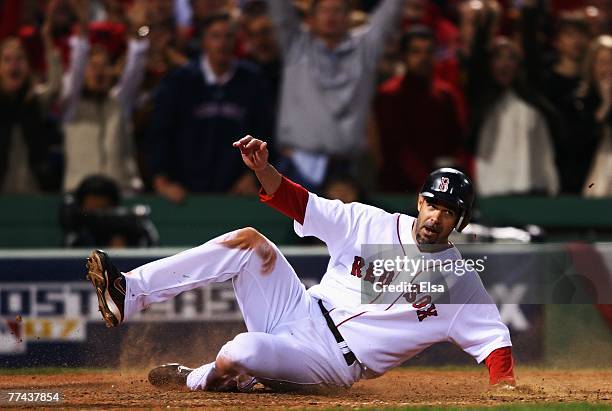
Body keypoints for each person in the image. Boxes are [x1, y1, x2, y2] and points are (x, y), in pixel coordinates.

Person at [85, 134, 516, 392]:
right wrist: (264, 169)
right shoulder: (368, 222)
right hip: (299, 308)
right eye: (433, 205)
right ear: (419, 201)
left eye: (449, 212)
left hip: (330, 361)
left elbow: (494, 340)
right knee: (249, 243)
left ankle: (201, 379)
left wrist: (505, 390)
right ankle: (130, 292)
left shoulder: (457, 281)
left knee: (241, 350)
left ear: (459, 221)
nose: (437, 216)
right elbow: (302, 204)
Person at [267, 0, 406, 191]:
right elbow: (279, 9)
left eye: (337, 10)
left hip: (348, 168)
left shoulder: (365, 48)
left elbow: (391, 11)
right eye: (324, 10)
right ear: (311, 18)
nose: (330, 16)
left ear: (348, 16)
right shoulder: (296, 44)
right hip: (297, 166)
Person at [148, 13, 273, 203]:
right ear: (203, 41)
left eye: (228, 36)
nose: (222, 43)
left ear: (236, 41)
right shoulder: (179, 80)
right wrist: (161, 179)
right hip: (185, 193)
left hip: (237, 193)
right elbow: (160, 132)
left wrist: (254, 176)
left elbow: (265, 132)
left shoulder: (253, 80)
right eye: (215, 36)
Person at [60, 0, 149, 193]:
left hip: (121, 193)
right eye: (92, 66)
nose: (99, 71)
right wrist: (82, 30)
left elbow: (134, 69)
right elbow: (76, 68)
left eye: (104, 65)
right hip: (79, 195)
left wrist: (138, 32)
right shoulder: (70, 105)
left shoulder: (119, 102)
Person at [374, 26, 465, 192]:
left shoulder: (446, 95)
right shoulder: (390, 94)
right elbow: (395, 147)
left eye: (429, 52)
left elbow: (456, 142)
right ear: (403, 56)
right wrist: (425, 183)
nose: (423, 58)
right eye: (416, 52)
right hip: (398, 188)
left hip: (441, 188)